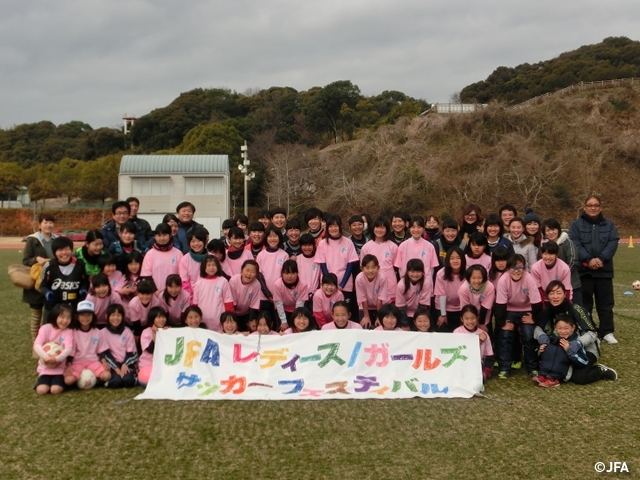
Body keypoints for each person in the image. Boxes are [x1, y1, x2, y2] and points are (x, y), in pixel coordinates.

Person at [536, 281, 616, 385]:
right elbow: (538, 328)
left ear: (565, 294)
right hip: (562, 346)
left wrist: (577, 343)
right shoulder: (547, 311)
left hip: (586, 348)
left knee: (579, 378)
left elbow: (592, 333)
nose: (555, 296)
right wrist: (542, 338)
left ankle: (600, 371)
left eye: (558, 293)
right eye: (551, 293)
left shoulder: (576, 309)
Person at [569, 195, 619, 344]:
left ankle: (607, 331)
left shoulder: (609, 225)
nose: (593, 208)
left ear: (600, 207)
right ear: (584, 207)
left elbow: (613, 243)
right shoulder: (576, 225)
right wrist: (589, 259)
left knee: (605, 303)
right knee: (585, 304)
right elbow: (575, 243)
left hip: (604, 271)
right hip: (585, 271)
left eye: (596, 205)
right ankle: (589, 330)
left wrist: (601, 259)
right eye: (590, 205)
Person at [494, 254, 543, 379]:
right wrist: (502, 323)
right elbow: (500, 305)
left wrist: (534, 318)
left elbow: (537, 303)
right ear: (508, 269)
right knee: (505, 335)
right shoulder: (503, 280)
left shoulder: (529, 279)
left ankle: (532, 367)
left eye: (520, 267)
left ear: (524, 268)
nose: (516, 271)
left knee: (528, 335)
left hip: (527, 309)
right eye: (513, 268)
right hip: (509, 309)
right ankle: (504, 367)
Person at [315, 215, 359, 318]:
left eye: (336, 226)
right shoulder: (322, 243)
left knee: (344, 313)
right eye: (330, 226)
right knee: (330, 313)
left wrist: (342, 284)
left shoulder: (348, 242)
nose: (333, 229)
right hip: (328, 285)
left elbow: (350, 264)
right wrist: (331, 284)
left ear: (340, 226)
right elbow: (322, 264)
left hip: (345, 284)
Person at [22, 213, 58, 342]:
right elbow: (25, 260)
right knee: (36, 315)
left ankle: (48, 340)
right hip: (36, 282)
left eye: (51, 222)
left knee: (51, 314)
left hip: (53, 282)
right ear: (39, 225)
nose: (48, 225)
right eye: (45, 222)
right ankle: (35, 343)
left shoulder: (57, 240)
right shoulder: (32, 240)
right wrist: (36, 259)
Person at [63, 300, 111, 388]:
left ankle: (93, 379)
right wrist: (68, 364)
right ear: (77, 317)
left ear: (93, 316)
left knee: (107, 376)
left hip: (93, 361)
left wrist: (104, 362)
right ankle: (81, 379)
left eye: (88, 315)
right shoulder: (73, 332)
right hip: (77, 362)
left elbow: (100, 350)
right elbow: (70, 351)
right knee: (68, 381)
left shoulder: (97, 332)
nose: (85, 318)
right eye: (82, 315)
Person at [33, 303, 74, 395]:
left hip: (60, 368)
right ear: (55, 316)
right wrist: (46, 357)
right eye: (62, 317)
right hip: (45, 367)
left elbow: (68, 348)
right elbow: (37, 345)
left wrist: (56, 359)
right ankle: (44, 380)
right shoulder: (45, 328)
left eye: (68, 318)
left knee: (55, 390)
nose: (65, 321)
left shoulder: (68, 331)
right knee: (41, 390)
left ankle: (61, 383)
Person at [41, 236, 88, 314]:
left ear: (71, 250)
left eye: (67, 249)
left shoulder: (80, 264)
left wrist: (83, 289)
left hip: (75, 307)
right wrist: (48, 293)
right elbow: (43, 285)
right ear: (54, 252)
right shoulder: (49, 266)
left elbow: (85, 282)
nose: (64, 252)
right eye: (60, 250)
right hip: (53, 307)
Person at [542, 218, 581, 306]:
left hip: (571, 284)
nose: (551, 233)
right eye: (547, 230)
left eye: (553, 229)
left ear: (558, 230)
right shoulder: (543, 245)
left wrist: (561, 276)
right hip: (551, 287)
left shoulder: (567, 243)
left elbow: (573, 261)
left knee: (574, 310)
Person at [98, 303, 138, 388]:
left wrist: (125, 364)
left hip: (126, 364)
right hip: (112, 366)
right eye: (113, 315)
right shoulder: (102, 333)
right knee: (116, 382)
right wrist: (116, 368)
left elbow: (133, 353)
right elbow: (105, 353)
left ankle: (135, 377)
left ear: (123, 317)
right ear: (106, 317)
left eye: (118, 315)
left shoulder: (127, 331)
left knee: (128, 381)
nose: (116, 318)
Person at [360, 216, 399, 302]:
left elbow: (396, 267)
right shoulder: (366, 247)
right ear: (373, 228)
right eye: (377, 227)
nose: (379, 230)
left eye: (382, 227)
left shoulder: (393, 246)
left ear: (387, 229)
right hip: (371, 285)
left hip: (390, 285)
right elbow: (363, 268)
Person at [193, 255, 234, 332]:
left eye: (214, 265)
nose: (211, 268)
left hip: (219, 320)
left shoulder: (223, 281)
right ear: (204, 267)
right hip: (203, 321)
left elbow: (228, 302)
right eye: (208, 265)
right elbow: (195, 304)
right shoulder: (199, 283)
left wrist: (229, 319)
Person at [453, 305, 494, 381]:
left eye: (473, 318)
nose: (470, 321)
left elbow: (489, 356)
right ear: (462, 319)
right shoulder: (457, 332)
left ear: (477, 318)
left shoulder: (483, 334)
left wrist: (485, 372)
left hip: (477, 365)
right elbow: (461, 351)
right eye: (467, 319)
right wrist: (479, 341)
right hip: (461, 365)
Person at [141, 223, 183, 293]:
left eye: (164, 235)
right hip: (155, 294)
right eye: (159, 235)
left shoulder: (178, 253)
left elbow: (181, 275)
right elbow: (147, 276)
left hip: (174, 293)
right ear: (155, 236)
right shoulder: (150, 254)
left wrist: (174, 290)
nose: (162, 238)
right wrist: (155, 291)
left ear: (170, 235)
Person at [434, 247, 466, 332]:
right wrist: (443, 314)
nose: (455, 261)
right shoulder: (441, 274)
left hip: (461, 307)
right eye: (452, 258)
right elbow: (442, 295)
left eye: (458, 258)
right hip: (443, 307)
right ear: (448, 260)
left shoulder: (468, 272)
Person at [272, 260, 309, 331]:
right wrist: (284, 321)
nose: (289, 276)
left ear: (297, 273)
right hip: (282, 309)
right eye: (287, 273)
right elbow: (278, 304)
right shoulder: (277, 284)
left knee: (296, 328)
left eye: (293, 273)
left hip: (296, 309)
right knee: (283, 329)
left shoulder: (303, 285)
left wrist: (296, 320)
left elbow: (299, 305)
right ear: (282, 273)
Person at [355, 254, 389, 329]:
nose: (370, 271)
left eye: (373, 267)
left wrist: (379, 317)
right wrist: (366, 316)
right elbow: (363, 300)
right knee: (365, 325)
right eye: (367, 268)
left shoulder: (382, 278)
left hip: (381, 306)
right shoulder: (359, 279)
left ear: (378, 268)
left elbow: (380, 300)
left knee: (380, 326)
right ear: (362, 268)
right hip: (365, 307)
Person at [138, 306, 169, 386]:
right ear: (152, 319)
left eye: (163, 317)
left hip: (163, 364)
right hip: (148, 363)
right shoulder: (146, 332)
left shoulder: (168, 331)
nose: (162, 320)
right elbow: (151, 350)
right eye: (158, 317)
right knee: (147, 379)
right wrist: (155, 334)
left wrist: (168, 333)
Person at [395, 259, 432, 327]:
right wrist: (405, 324)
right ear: (407, 272)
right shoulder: (401, 285)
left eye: (418, 272)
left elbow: (423, 306)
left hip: (420, 312)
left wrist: (420, 322)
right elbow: (401, 307)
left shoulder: (426, 283)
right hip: (405, 313)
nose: (415, 274)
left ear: (422, 272)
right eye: (412, 271)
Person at [228, 260, 261, 331]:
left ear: (256, 275)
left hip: (247, 313)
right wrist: (233, 321)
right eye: (247, 270)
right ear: (241, 271)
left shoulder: (256, 284)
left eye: (253, 272)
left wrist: (251, 321)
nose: (249, 274)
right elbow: (232, 303)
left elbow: (254, 305)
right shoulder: (233, 280)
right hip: (233, 311)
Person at [178, 227, 209, 299]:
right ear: (189, 243)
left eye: (199, 241)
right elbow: (184, 282)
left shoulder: (212, 257)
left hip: (209, 295)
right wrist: (192, 298)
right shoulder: (185, 260)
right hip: (192, 298)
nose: (196, 244)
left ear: (204, 242)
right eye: (193, 241)